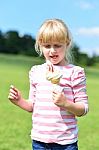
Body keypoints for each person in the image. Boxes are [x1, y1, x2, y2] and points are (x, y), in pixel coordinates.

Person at [8, 18, 89, 150]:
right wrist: (19, 101)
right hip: (39, 141)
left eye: (57, 45)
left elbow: (83, 109)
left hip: (66, 142)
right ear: (40, 45)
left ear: (67, 43)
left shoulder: (75, 72)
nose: (52, 51)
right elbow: (32, 106)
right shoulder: (36, 72)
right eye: (47, 46)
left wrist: (66, 104)